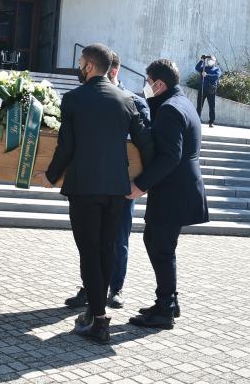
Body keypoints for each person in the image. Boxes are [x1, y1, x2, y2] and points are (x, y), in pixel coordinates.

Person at [44, 43, 154, 343]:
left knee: (89, 252)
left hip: (84, 188)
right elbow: (147, 143)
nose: (80, 67)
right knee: (106, 250)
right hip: (116, 190)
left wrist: (51, 175)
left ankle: (99, 321)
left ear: (90, 66)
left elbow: (66, 145)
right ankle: (95, 313)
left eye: (81, 62)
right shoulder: (127, 99)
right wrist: (142, 181)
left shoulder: (74, 99)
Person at [64, 51, 151, 311]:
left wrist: (142, 183)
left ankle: (115, 288)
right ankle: (91, 290)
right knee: (92, 244)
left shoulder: (134, 101)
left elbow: (145, 142)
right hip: (96, 183)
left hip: (122, 187)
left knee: (116, 242)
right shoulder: (84, 98)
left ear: (112, 71)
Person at [127, 59, 209, 329]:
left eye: (148, 82)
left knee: (160, 248)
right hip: (179, 189)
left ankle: (165, 309)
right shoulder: (181, 102)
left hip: (174, 191)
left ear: (159, 84)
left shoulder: (171, 109)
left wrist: (140, 185)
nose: (146, 87)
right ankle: (168, 302)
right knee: (158, 244)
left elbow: (170, 157)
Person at [194, 55, 222, 127]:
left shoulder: (217, 69)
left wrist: (207, 75)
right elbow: (197, 68)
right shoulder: (204, 68)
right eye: (209, 60)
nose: (210, 61)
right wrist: (201, 61)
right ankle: (197, 120)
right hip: (202, 89)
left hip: (211, 90)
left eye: (211, 60)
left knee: (212, 106)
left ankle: (211, 122)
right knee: (199, 105)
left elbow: (216, 76)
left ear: (214, 62)